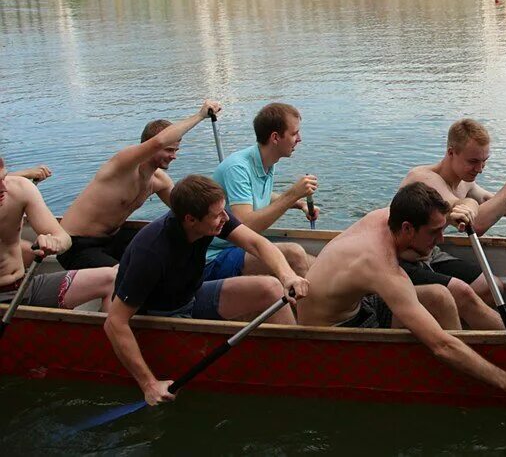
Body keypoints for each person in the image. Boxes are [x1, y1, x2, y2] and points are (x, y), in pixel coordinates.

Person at [296, 182, 506, 402]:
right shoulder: (379, 265)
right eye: (434, 233)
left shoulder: (391, 216)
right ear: (407, 229)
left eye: (442, 228)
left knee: (442, 294)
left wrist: (466, 207)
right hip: (334, 332)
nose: (441, 239)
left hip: (359, 303)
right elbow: (441, 346)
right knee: (441, 327)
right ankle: (464, 382)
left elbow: (462, 203)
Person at [104, 175, 309, 406]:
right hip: (159, 317)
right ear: (190, 219)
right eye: (217, 215)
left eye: (224, 211)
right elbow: (114, 322)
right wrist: (149, 384)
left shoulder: (212, 217)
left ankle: (296, 365)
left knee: (271, 287)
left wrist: (287, 275)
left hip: (191, 296)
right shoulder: (151, 252)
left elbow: (257, 244)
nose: (225, 218)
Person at [58, 100, 223, 270]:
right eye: (169, 150)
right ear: (148, 146)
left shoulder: (160, 181)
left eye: (175, 151)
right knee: (123, 277)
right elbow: (159, 141)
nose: (173, 156)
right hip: (75, 244)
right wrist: (200, 115)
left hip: (112, 240)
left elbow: (188, 211)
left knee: (171, 237)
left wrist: (222, 223)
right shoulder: (123, 165)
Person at [399, 118, 506, 306]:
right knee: (467, 293)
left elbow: (488, 200)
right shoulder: (424, 179)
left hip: (430, 254)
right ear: (451, 152)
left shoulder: (463, 181)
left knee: (492, 288)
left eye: (484, 161)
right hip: (400, 261)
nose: (480, 169)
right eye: (473, 162)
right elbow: (475, 225)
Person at [204, 103, 315, 282]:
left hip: (239, 249)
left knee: (317, 265)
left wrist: (299, 204)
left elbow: (259, 195)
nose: (299, 139)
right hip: (214, 256)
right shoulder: (238, 168)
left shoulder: (265, 162)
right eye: (294, 133)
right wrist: (293, 194)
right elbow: (246, 226)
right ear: (275, 137)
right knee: (294, 254)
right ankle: (310, 310)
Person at [0, 156, 115, 312]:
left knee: (114, 279)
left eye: (4, 178)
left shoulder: (20, 189)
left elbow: (64, 239)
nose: (3, 188)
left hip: (24, 286)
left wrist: (54, 242)